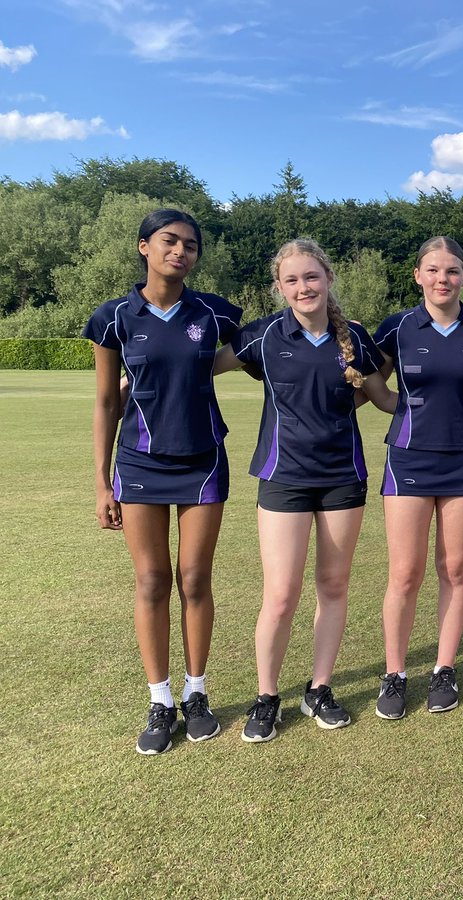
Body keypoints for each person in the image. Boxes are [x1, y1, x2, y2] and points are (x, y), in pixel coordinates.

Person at [215, 239, 397, 743]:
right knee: (280, 595)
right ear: (280, 287)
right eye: (291, 280)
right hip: (284, 477)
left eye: (311, 277)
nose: (303, 287)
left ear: (328, 279)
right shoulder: (264, 336)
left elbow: (382, 398)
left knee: (333, 587)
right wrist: (134, 378)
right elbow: (199, 365)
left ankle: (319, 689)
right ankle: (266, 696)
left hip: (343, 478)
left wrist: (448, 400)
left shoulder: (356, 339)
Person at [86, 208, 241, 755]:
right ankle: (160, 699)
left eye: (190, 245)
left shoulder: (215, 313)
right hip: (140, 463)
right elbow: (108, 401)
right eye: (169, 241)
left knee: (195, 578)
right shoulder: (113, 318)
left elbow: (260, 349)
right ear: (143, 247)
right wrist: (102, 484)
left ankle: (197, 692)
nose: (180, 251)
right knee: (152, 581)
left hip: (203, 461)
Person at [372, 236, 463, 718]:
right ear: (418, 275)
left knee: (455, 569)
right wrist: (400, 409)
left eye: (452, 271)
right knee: (405, 573)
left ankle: (444, 668)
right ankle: (395, 672)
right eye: (433, 270)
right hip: (407, 460)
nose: (442, 279)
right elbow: (374, 382)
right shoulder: (398, 327)